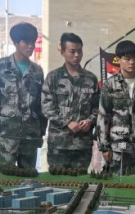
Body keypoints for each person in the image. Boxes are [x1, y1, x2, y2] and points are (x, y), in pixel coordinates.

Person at [0, 22, 47, 168]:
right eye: (26, 42)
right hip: (7, 133)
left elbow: (40, 103)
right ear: (15, 43)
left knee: (28, 174)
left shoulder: (37, 70)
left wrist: (41, 132)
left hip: (30, 134)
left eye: (33, 42)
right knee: (4, 173)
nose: (30, 46)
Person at [41, 32, 99, 170]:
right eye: (72, 51)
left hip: (82, 144)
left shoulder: (91, 79)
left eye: (80, 51)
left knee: (80, 181)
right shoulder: (53, 77)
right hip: (59, 144)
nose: (77, 55)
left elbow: (98, 107)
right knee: (58, 180)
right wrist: (67, 122)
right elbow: (46, 107)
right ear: (62, 51)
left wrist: (90, 120)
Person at [97, 40, 135, 174]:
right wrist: (104, 147)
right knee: (117, 182)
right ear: (118, 60)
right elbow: (103, 116)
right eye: (127, 59)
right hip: (118, 148)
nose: (132, 62)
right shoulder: (110, 85)